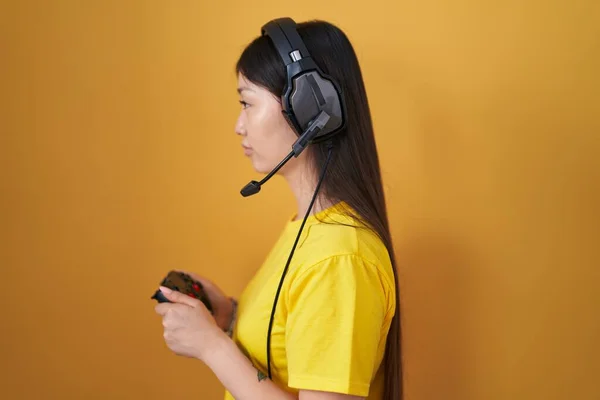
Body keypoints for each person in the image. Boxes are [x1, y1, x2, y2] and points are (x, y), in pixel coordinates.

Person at [154, 18, 402, 400]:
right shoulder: (309, 232)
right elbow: (292, 348)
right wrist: (232, 318)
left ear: (308, 107)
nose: (239, 125)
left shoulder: (338, 259)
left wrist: (213, 348)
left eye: (246, 102)